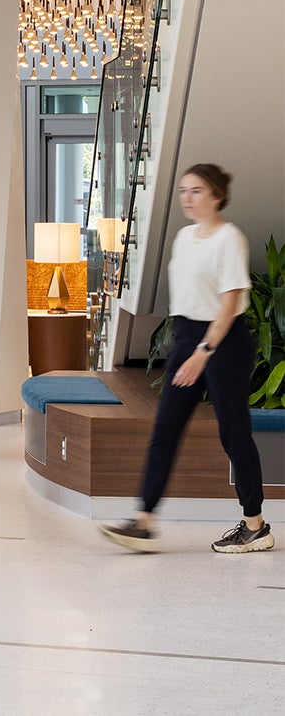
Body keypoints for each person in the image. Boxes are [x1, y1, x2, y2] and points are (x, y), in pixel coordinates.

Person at [100, 163, 273, 554]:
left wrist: (204, 352)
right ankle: (143, 521)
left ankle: (255, 525)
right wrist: (186, 347)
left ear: (216, 196)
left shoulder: (230, 238)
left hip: (223, 343)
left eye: (195, 191)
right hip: (188, 338)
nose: (187, 198)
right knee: (165, 429)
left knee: (233, 433)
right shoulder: (183, 237)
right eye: (183, 191)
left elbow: (230, 303)